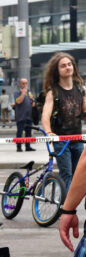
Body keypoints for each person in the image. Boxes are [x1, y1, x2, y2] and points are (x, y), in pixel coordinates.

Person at [41, 52, 86, 190]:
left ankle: (71, 201)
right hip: (61, 140)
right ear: (57, 71)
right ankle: (66, 203)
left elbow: (85, 113)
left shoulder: (81, 89)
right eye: (63, 66)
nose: (67, 67)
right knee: (67, 174)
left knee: (79, 175)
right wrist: (49, 132)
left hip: (77, 140)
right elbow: (45, 115)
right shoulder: (53, 92)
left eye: (69, 64)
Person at [14, 78, 36, 152]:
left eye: (26, 83)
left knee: (28, 132)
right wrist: (23, 93)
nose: (25, 85)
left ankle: (28, 146)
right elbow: (19, 101)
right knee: (19, 132)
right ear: (20, 84)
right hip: (21, 116)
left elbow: (32, 100)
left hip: (29, 116)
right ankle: (19, 147)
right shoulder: (17, 93)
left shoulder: (29, 93)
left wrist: (33, 102)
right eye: (23, 83)